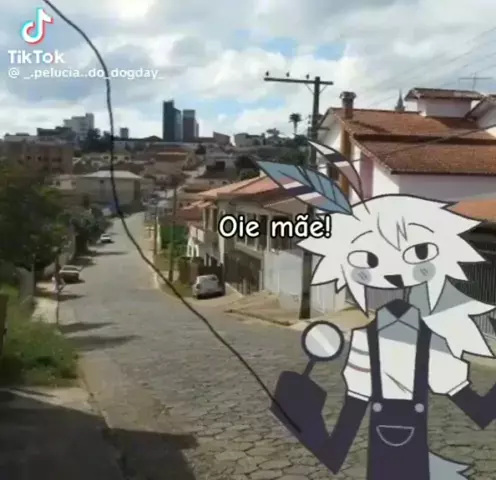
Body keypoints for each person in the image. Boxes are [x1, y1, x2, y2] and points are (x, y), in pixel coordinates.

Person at [258, 146, 496, 480]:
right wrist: (302, 420)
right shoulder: (385, 343)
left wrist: (305, 424)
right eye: (367, 258)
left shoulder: (422, 342)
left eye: (418, 252)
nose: (395, 274)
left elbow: (336, 448)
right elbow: (480, 411)